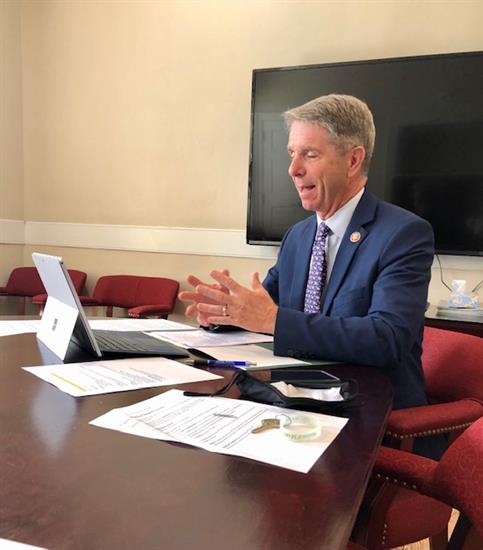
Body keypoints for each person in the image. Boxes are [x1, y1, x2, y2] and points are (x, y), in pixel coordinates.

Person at [179, 94, 434, 411]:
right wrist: (226, 312)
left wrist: (272, 319)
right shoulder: (298, 236)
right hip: (290, 399)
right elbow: (264, 308)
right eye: (292, 154)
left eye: (310, 155)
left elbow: (387, 339)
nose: (293, 169)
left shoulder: (403, 234)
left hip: (369, 410)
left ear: (353, 161)